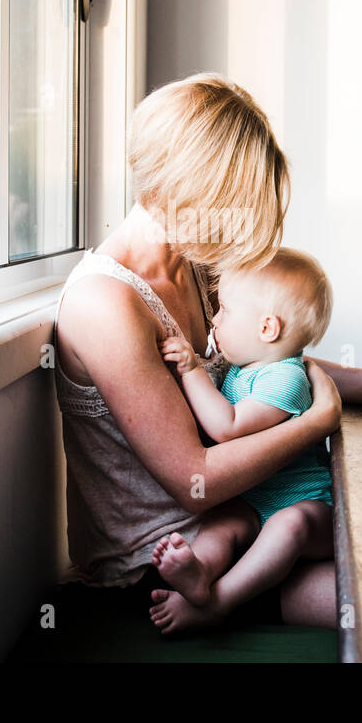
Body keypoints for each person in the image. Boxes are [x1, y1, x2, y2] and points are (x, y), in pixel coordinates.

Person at [53, 72, 362, 628]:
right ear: (183, 188)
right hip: (169, 569)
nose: (240, 227)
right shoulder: (105, 302)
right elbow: (195, 481)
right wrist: (319, 419)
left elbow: (273, 372)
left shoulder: (195, 266)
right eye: (232, 205)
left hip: (249, 522)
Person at [148, 247, 336, 634]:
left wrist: (190, 369)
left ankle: (220, 603)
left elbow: (227, 426)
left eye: (225, 310)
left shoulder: (286, 379)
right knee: (222, 523)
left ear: (266, 329)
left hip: (308, 508)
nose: (214, 319)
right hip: (253, 505)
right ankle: (198, 572)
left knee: (290, 524)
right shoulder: (247, 367)